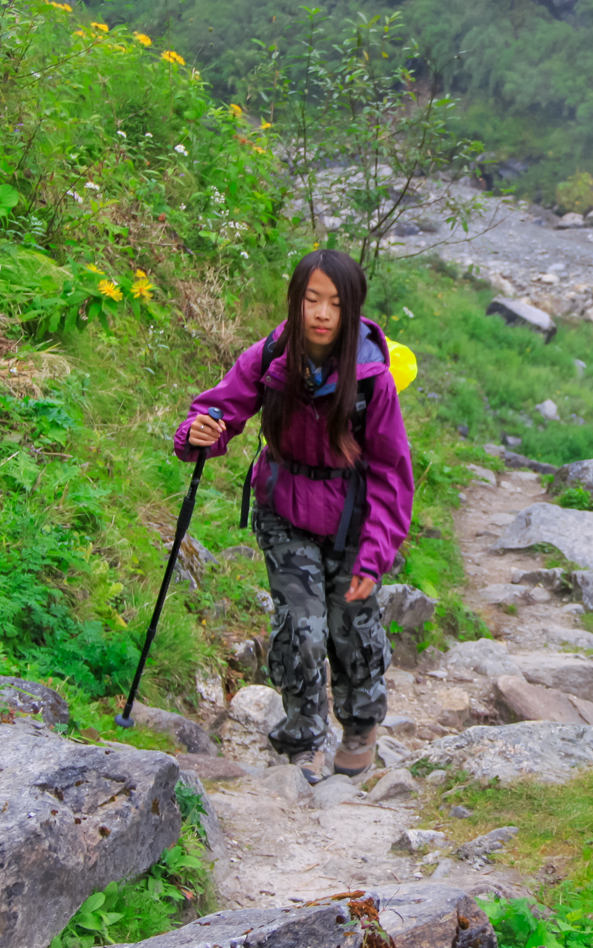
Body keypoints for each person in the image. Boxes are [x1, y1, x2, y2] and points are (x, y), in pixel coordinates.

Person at [174, 249, 414, 784]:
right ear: (296, 301)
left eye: (334, 303)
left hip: (353, 521)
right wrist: (199, 432)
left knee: (351, 625)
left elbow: (393, 473)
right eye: (311, 300)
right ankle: (302, 738)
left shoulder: (372, 379)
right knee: (301, 626)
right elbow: (220, 408)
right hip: (284, 512)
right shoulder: (271, 357)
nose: (322, 313)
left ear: (351, 310)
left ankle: (358, 726)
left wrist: (374, 557)